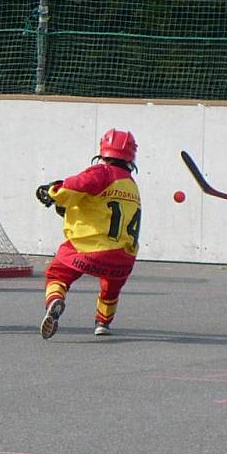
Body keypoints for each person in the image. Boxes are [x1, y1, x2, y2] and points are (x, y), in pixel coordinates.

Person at [36, 128, 141, 339]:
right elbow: (101, 210)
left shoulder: (101, 172)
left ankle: (56, 299)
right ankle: (103, 323)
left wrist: (51, 192)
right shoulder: (131, 186)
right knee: (110, 289)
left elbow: (72, 188)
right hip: (124, 257)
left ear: (103, 152)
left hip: (89, 250)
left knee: (57, 274)